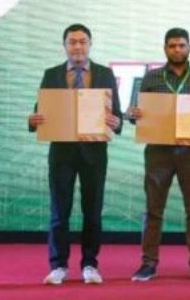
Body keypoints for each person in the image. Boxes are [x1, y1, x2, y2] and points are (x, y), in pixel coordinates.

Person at [28, 23, 122, 285]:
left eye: (82, 41)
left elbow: (117, 113)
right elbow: (39, 111)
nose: (78, 46)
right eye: (72, 42)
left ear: (90, 44)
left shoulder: (105, 74)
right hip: (62, 153)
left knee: (92, 211)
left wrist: (117, 122)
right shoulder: (51, 74)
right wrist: (33, 120)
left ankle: (90, 265)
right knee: (59, 212)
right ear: (64, 45)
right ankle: (58, 266)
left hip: (94, 153)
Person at [127, 28, 190, 282]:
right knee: (153, 209)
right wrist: (134, 115)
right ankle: (148, 264)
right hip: (158, 152)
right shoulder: (152, 78)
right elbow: (137, 115)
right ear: (165, 49)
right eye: (172, 46)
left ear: (189, 48)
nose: (177, 50)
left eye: (181, 45)